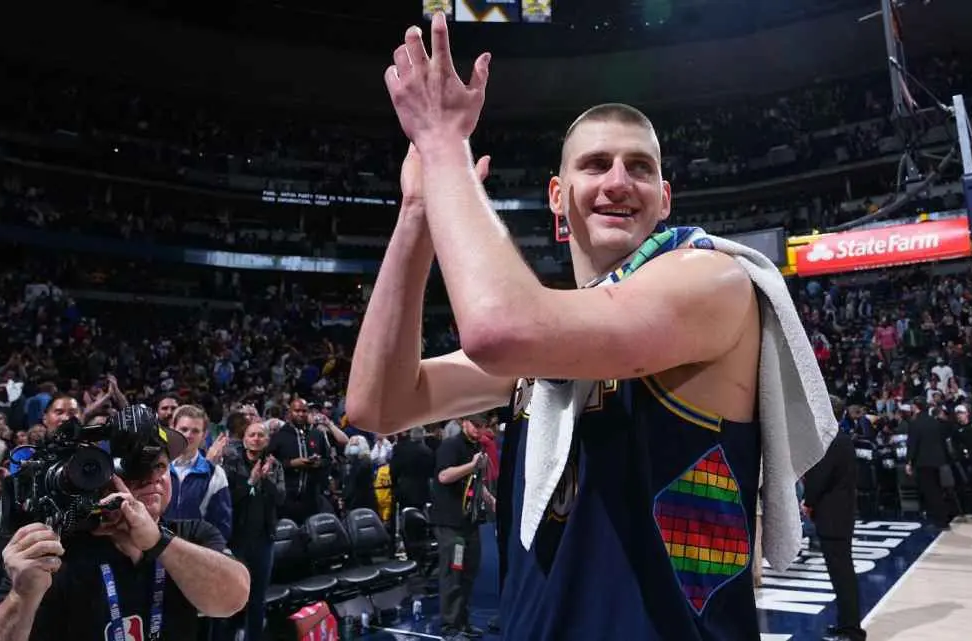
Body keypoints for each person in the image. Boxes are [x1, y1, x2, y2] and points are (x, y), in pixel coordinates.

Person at [346, 15, 824, 641]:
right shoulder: (549, 344)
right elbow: (379, 404)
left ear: (665, 198)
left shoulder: (713, 281)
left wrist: (442, 147)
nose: (618, 182)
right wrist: (417, 212)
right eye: (596, 164)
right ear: (557, 194)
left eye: (640, 168)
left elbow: (498, 327)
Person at [0, 405, 250, 641]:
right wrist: (21, 597)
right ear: (94, 472)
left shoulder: (191, 534)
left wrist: (158, 541)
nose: (152, 477)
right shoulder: (56, 551)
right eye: (135, 465)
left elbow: (233, 599)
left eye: (160, 466)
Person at [802, 396, 865, 641]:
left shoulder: (832, 441)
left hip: (833, 517)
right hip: (839, 515)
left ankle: (852, 631)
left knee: (842, 575)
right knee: (840, 574)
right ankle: (845, 624)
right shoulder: (842, 439)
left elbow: (819, 479)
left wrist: (808, 502)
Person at [432, 414, 495, 639]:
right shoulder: (450, 446)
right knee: (453, 574)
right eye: (475, 425)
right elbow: (444, 476)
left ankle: (462, 622)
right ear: (464, 422)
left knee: (469, 572)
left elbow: (475, 481)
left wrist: (491, 500)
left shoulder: (476, 447)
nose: (479, 430)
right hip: (451, 523)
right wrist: (471, 465)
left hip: (469, 521)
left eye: (482, 426)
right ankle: (450, 627)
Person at [221, 420, 285, 641]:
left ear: (267, 440)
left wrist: (265, 480)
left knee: (258, 599)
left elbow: (280, 498)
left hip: (263, 540)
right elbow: (228, 500)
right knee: (233, 597)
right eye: (252, 435)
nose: (256, 439)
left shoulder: (274, 465)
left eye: (261, 435)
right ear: (244, 439)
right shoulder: (231, 464)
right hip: (236, 539)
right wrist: (251, 481)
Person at [165, 405, 234, 540]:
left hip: (195, 549)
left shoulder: (215, 474)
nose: (188, 435)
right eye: (183, 429)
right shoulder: (158, 468)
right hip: (159, 548)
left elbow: (222, 526)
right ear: (173, 429)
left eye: (195, 431)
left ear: (204, 435)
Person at [905, 398, 951, 530]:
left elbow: (913, 444)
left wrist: (909, 462)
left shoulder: (915, 423)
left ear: (915, 407)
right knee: (936, 489)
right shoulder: (934, 421)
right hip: (937, 461)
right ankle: (942, 517)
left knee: (931, 492)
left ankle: (941, 521)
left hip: (923, 461)